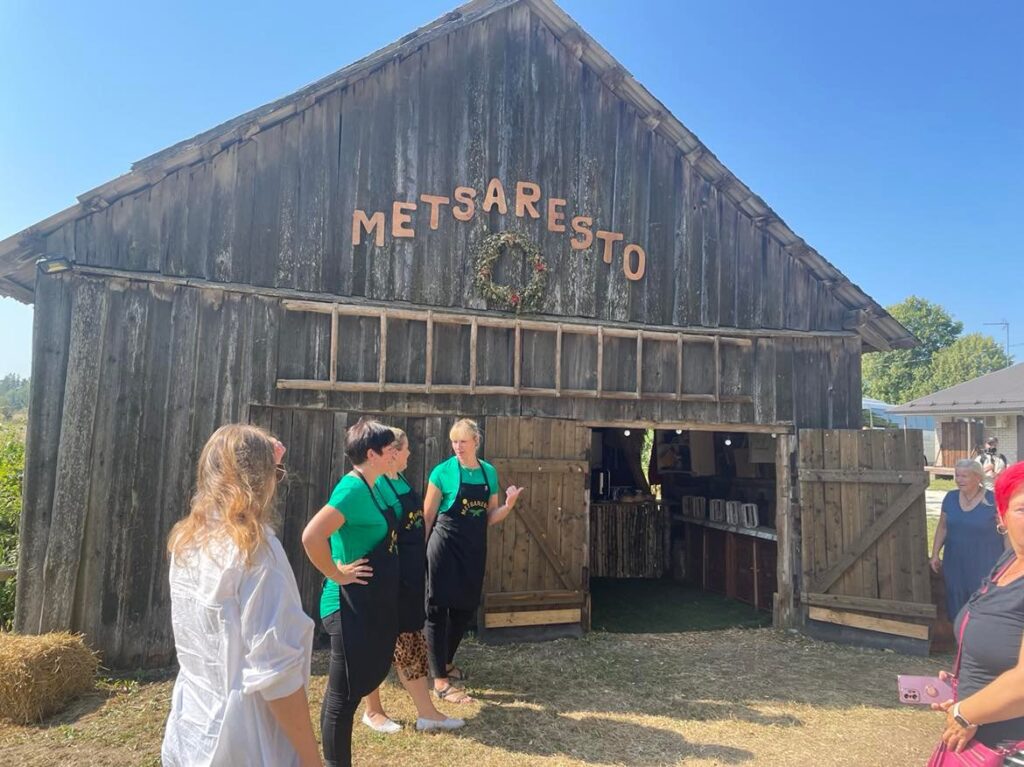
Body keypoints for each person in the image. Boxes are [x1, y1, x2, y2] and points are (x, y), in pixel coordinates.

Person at [162, 424, 321, 767]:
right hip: (244, 744)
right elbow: (275, 675)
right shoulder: (257, 554)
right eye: (275, 472)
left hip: (190, 731)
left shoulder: (187, 542)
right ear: (261, 480)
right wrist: (312, 760)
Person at [301, 418, 400, 767]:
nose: (395, 453)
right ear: (372, 454)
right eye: (389, 449)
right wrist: (336, 573)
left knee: (348, 693)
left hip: (367, 603)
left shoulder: (376, 485)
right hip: (345, 606)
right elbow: (311, 536)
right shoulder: (352, 489)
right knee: (341, 699)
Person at [361, 427, 465, 733]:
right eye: (406, 449)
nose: (410, 454)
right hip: (387, 576)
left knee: (410, 642)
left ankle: (426, 712)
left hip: (409, 576)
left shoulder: (400, 479)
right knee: (375, 642)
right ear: (392, 452)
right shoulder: (377, 484)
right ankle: (372, 710)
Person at [423, 418, 524, 704]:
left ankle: (446, 662)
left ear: (476, 442)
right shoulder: (442, 472)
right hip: (444, 546)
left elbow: (490, 516)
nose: (457, 447)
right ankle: (439, 680)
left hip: (473, 549)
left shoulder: (488, 472)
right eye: (454, 442)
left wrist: (508, 506)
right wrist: (419, 552)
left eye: (463, 442)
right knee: (437, 609)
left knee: (464, 608)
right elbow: (428, 516)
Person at [932, 461, 1024, 753]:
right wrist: (967, 682)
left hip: (1013, 747)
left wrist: (965, 712)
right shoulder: (1008, 563)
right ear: (1002, 517)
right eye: (1023, 509)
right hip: (982, 741)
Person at [930, 458, 1005, 621]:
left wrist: (1008, 563)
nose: (959, 480)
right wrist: (935, 553)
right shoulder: (950, 498)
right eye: (957, 475)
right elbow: (943, 527)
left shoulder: (994, 500)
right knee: (956, 603)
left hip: (985, 564)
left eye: (964, 476)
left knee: (982, 606)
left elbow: (1006, 532)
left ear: (977, 478)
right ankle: (959, 636)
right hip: (955, 563)